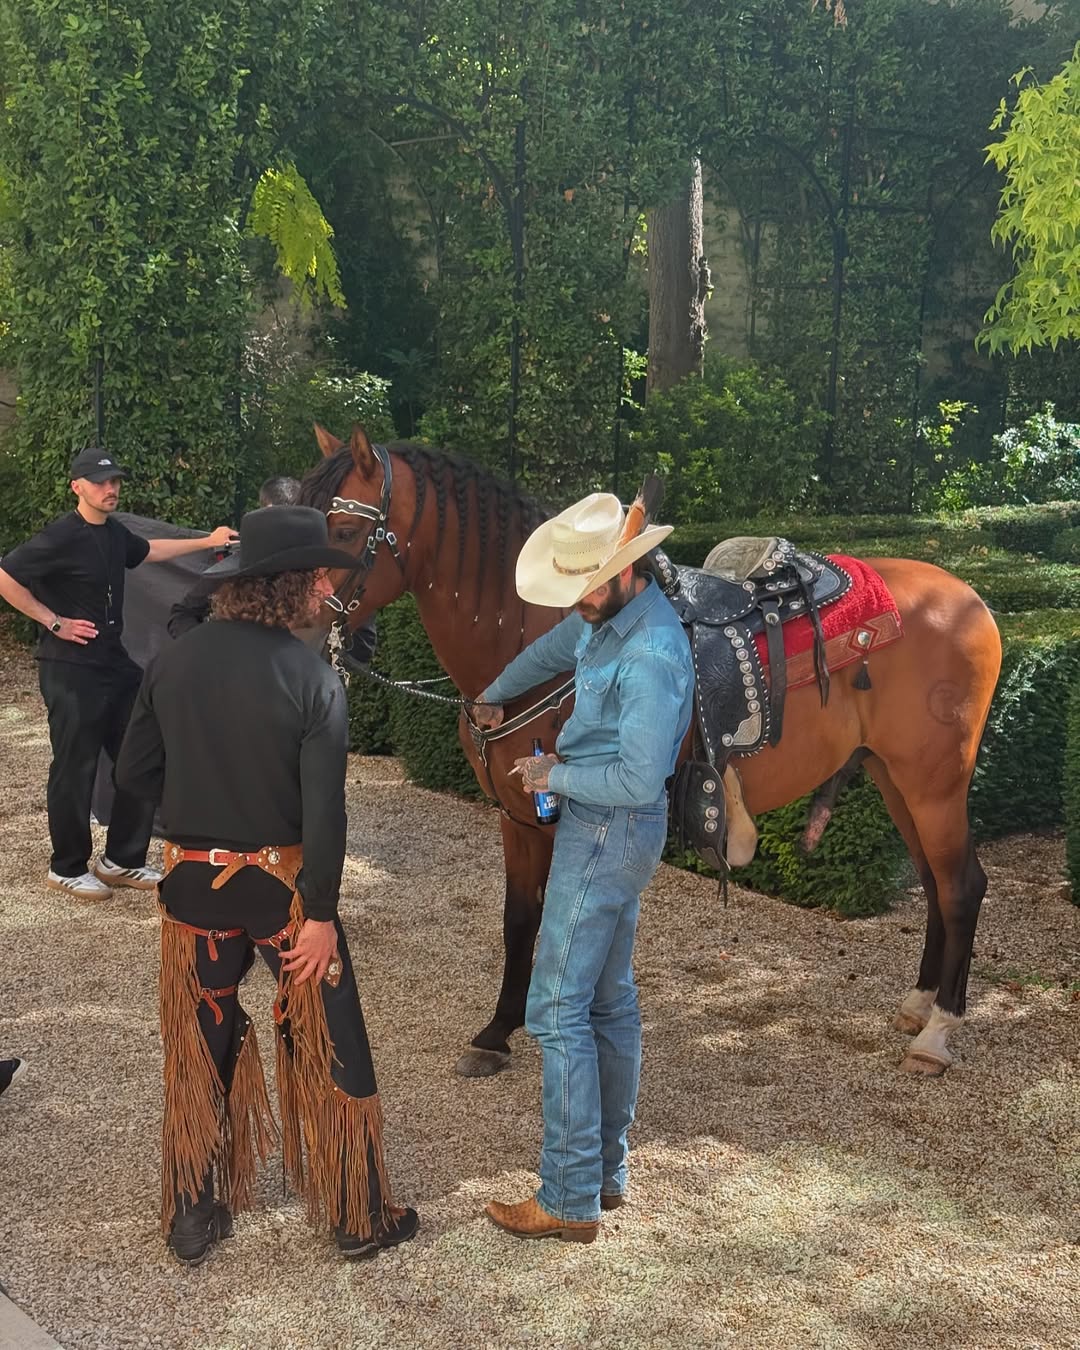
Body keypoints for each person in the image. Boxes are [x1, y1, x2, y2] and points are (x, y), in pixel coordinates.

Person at [116, 505, 417, 1265]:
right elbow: (327, 814)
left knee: (198, 1041)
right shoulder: (311, 678)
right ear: (288, 587)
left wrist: (198, 809)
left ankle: (192, 1212)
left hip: (191, 893)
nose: (326, 588)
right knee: (331, 1038)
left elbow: (132, 776)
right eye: (318, 576)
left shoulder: (172, 661)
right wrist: (320, 914)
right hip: (284, 899)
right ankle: (355, 1214)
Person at [473, 492, 694, 1243]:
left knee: (555, 1011)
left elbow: (638, 780)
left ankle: (568, 1199)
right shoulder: (609, 615)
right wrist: (494, 695)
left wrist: (550, 778)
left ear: (627, 572)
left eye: (586, 587)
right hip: (608, 833)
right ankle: (604, 1173)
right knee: (607, 1003)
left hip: (609, 830)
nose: (578, 602)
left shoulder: (653, 651)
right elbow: (553, 647)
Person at [0, 448, 238, 901]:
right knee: (76, 767)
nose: (110, 490)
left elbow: (151, 551)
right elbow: (5, 574)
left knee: (141, 757)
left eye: (114, 482)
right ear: (77, 486)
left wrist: (209, 541)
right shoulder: (60, 537)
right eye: (99, 482)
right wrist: (54, 622)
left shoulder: (114, 534)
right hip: (69, 670)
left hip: (114, 663)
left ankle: (122, 860)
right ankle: (66, 866)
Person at [167, 473, 379, 668]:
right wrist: (213, 653)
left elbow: (361, 649)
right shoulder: (238, 566)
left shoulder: (335, 571)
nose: (327, 589)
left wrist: (322, 668)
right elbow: (182, 614)